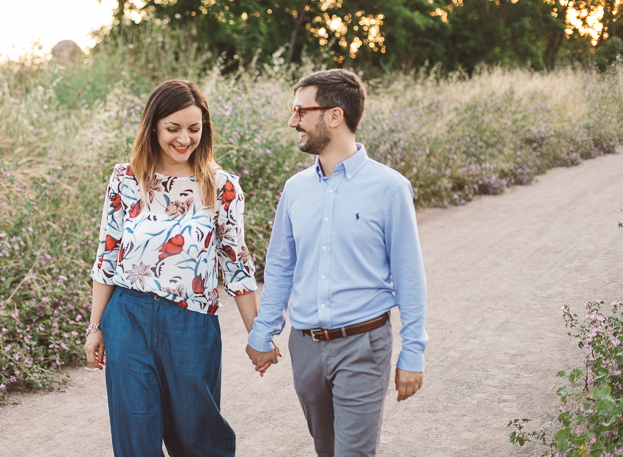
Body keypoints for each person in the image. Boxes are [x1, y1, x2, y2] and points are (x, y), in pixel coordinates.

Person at [246, 69, 428, 457]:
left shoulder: (389, 188)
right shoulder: (295, 190)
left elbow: (410, 276)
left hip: (363, 344)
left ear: (334, 115)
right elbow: (280, 267)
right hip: (306, 347)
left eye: (300, 110)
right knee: (326, 450)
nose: (292, 120)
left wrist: (412, 352)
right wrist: (263, 333)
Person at [85, 80, 261, 457]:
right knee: (135, 432)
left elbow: (236, 264)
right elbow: (108, 254)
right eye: (173, 128)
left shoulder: (222, 186)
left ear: (205, 129)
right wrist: (95, 326)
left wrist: (256, 334)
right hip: (127, 316)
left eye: (194, 128)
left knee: (198, 435)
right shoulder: (125, 179)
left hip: (191, 322)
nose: (184, 138)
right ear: (153, 127)